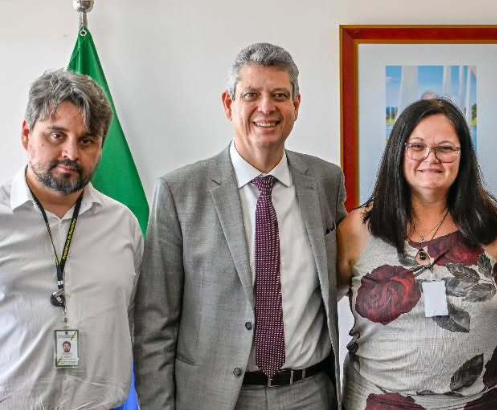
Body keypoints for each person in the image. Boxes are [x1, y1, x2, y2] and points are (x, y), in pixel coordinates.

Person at [133, 43, 346, 410]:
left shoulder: (326, 181)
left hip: (310, 393)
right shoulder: (179, 192)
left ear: (296, 105)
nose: (266, 107)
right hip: (214, 399)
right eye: (252, 95)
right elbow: (154, 325)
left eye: (279, 95)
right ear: (228, 104)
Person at [337, 98, 497, 409]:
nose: (430, 158)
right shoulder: (358, 229)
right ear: (398, 152)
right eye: (417, 146)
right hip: (379, 402)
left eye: (446, 148)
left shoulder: (490, 228)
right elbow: (316, 312)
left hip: (480, 402)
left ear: (463, 156)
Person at [0, 69, 143, 409]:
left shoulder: (123, 224)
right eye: (56, 135)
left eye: (86, 140)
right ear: (26, 135)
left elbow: (139, 328)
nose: (71, 153)